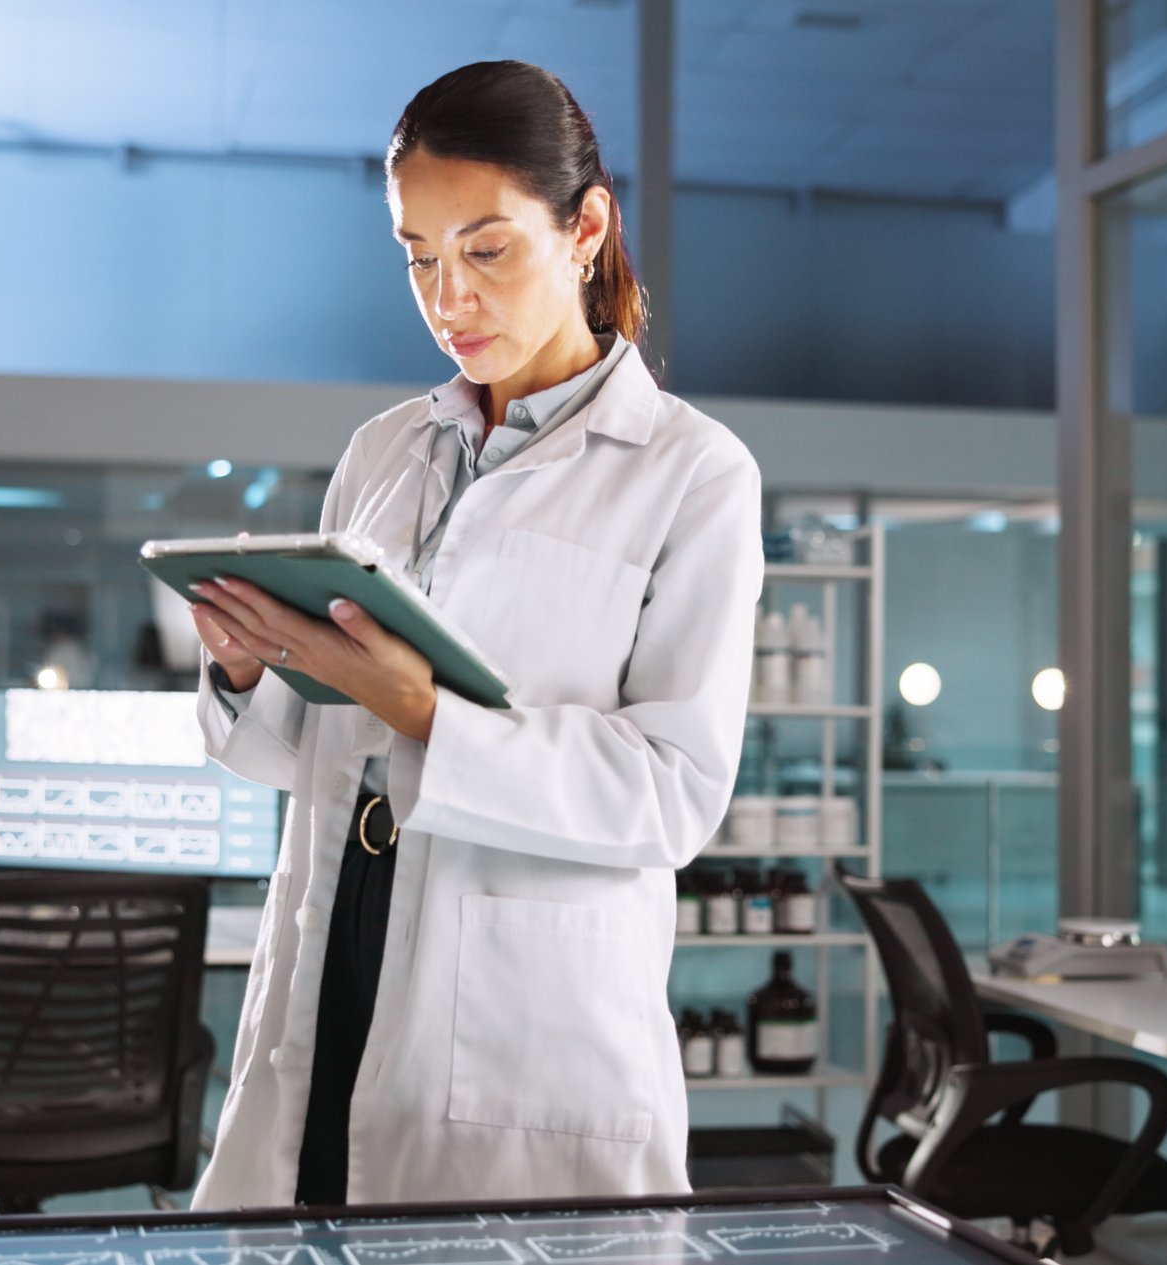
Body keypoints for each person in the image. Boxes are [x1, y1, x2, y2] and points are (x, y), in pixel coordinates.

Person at [184, 60, 762, 1209]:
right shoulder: (382, 450)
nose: (449, 298)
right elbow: (306, 752)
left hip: (520, 1020)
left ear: (585, 229)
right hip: (337, 945)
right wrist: (251, 667)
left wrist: (421, 710)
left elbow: (673, 793)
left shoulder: (693, 472)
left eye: (486, 249)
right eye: (418, 256)